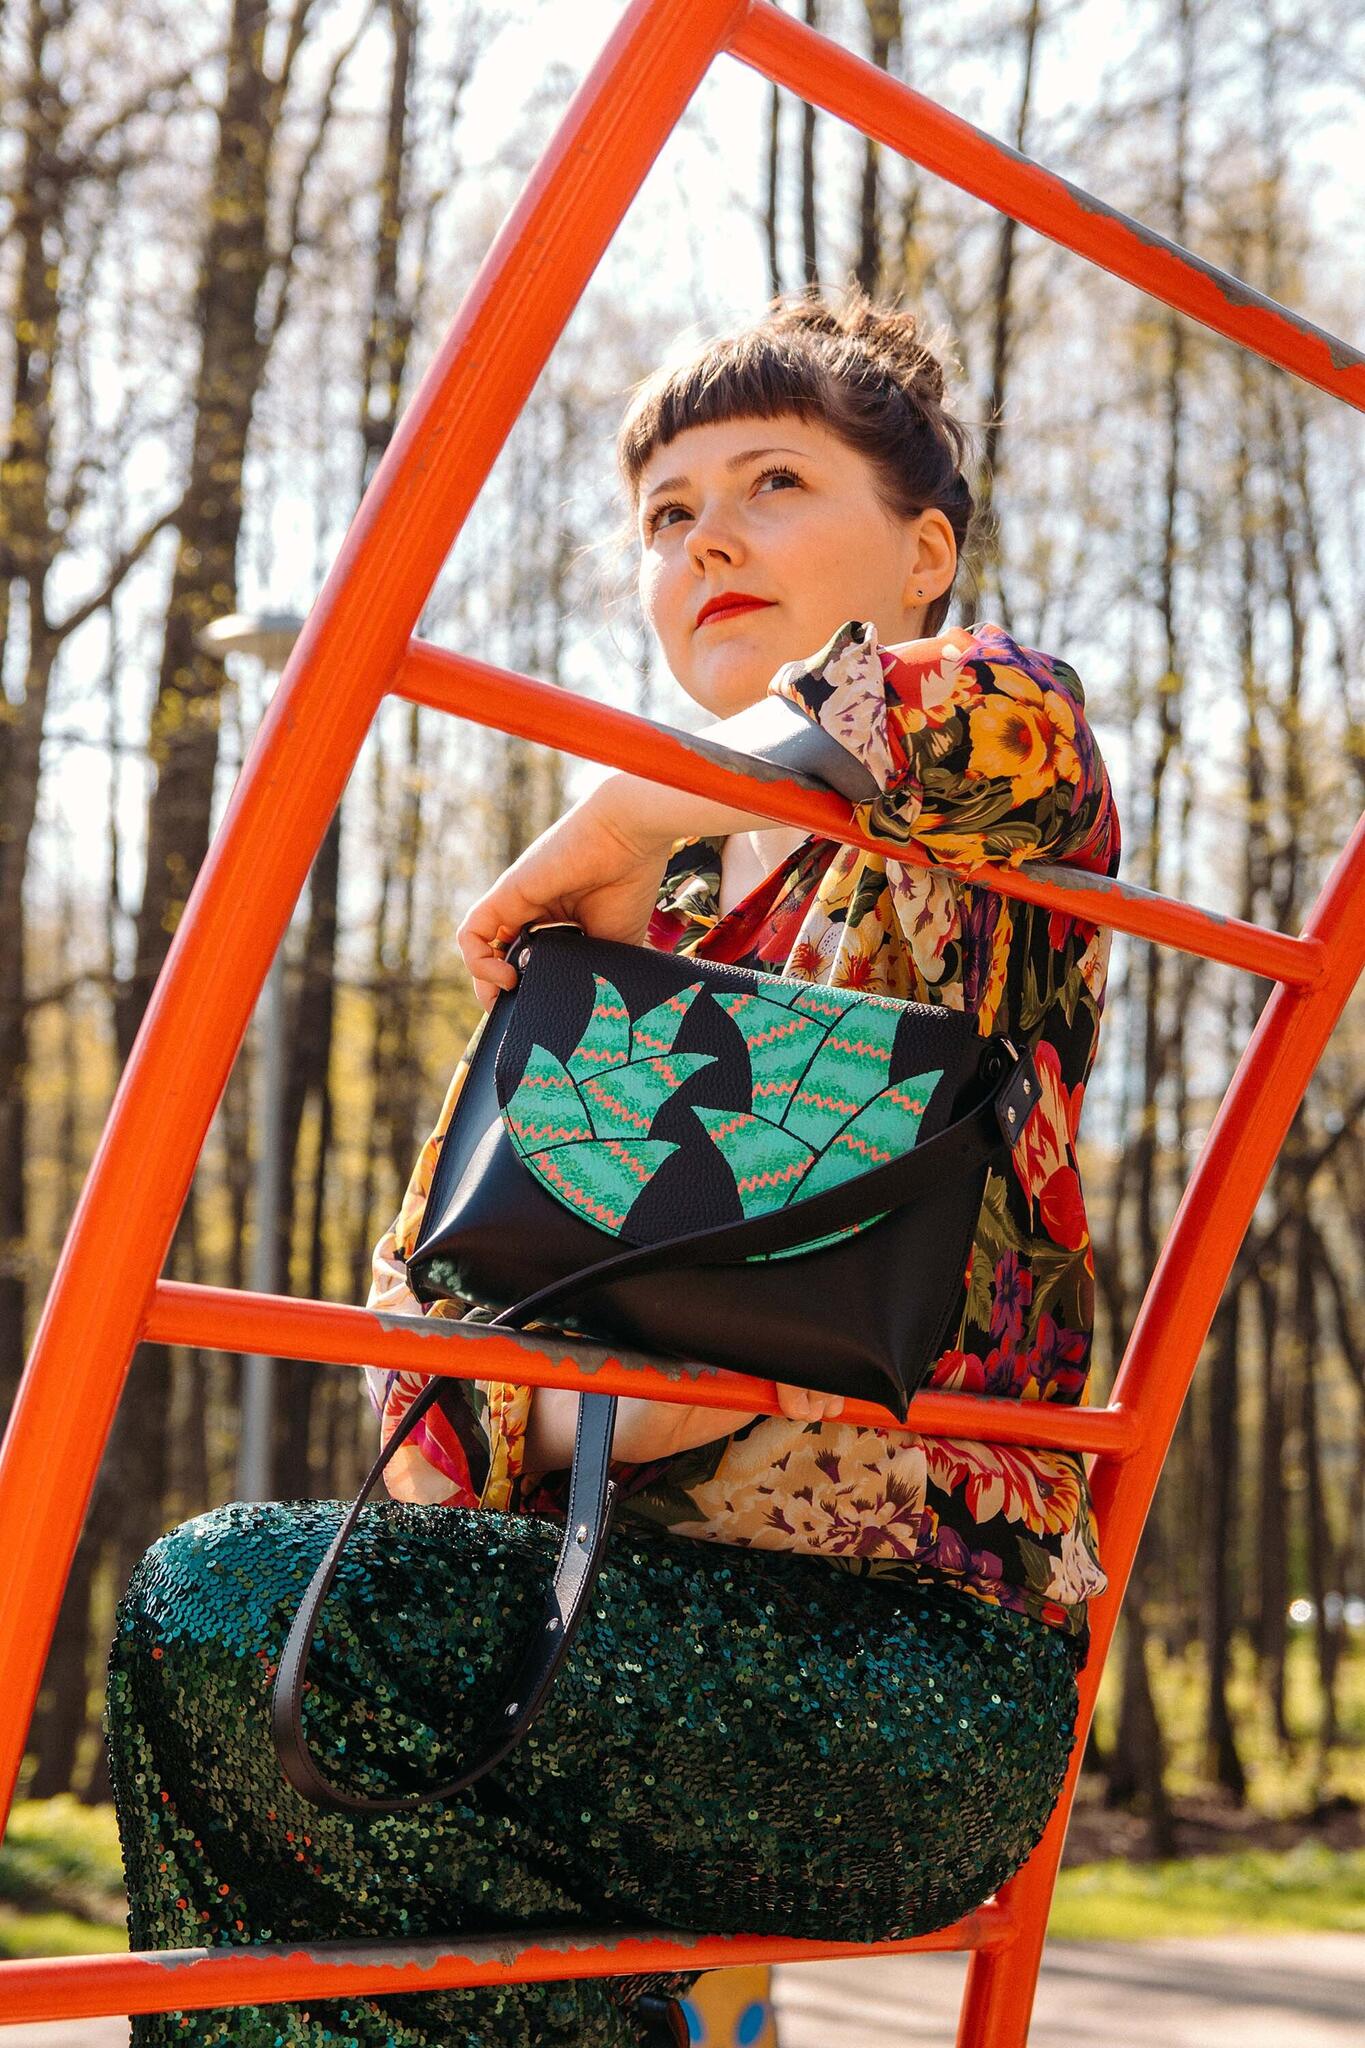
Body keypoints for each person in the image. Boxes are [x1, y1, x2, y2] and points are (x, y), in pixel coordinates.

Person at [106, 286, 1121, 2048]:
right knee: (247, 1670)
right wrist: (591, 1407)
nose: (705, 536)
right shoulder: (607, 952)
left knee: (236, 1614)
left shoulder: (980, 824)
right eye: (665, 514)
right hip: (602, 1622)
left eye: (774, 482)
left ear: (925, 552)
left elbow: (967, 714)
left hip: (901, 1666)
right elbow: (432, 1398)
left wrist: (625, 806)